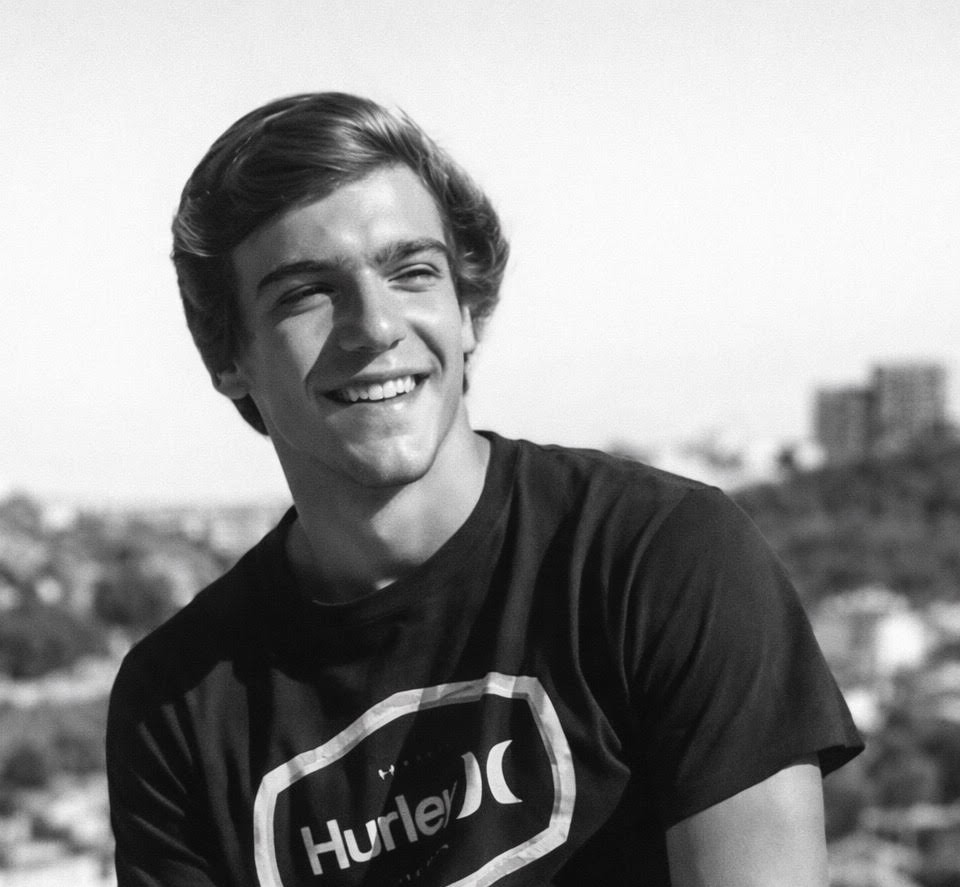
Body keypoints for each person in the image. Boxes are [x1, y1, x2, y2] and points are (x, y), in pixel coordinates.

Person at [106, 92, 863, 887]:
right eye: (306, 292)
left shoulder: (660, 557)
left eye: (412, 272)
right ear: (228, 357)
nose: (376, 326)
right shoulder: (179, 706)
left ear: (466, 309)